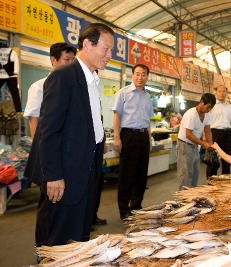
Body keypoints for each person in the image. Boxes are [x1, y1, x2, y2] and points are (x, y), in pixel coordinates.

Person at [24, 23, 114, 246]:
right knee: (58, 238)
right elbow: (49, 130)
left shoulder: (92, 79)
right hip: (64, 173)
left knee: (79, 236)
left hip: (86, 169)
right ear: (87, 44)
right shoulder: (64, 76)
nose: (109, 55)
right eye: (106, 49)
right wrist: (53, 175)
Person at [112, 64, 154, 220]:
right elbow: (117, 116)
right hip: (128, 136)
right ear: (132, 75)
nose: (140, 77)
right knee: (126, 175)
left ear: (147, 77)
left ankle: (136, 207)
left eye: (143, 74)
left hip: (143, 136)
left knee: (141, 175)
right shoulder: (123, 93)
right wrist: (117, 137)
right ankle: (124, 211)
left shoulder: (148, 96)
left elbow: (148, 121)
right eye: (137, 74)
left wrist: (149, 140)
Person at [23, 43, 76, 139]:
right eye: (67, 60)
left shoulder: (74, 87)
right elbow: (34, 119)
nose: (71, 64)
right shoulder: (39, 87)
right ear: (53, 60)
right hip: (50, 144)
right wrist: (39, 150)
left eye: (73, 60)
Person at [177, 93, 216, 190]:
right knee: (185, 175)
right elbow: (188, 134)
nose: (209, 110)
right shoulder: (191, 114)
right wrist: (204, 144)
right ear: (202, 102)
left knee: (195, 174)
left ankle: (191, 199)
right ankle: (183, 201)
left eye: (211, 108)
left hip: (195, 146)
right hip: (184, 146)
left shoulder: (207, 114)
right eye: (208, 107)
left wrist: (211, 146)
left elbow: (207, 130)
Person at [206, 85, 231, 177]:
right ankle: (211, 180)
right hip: (214, 133)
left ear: (226, 93)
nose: (222, 93)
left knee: (227, 158)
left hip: (227, 133)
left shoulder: (230, 107)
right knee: (213, 158)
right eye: (220, 91)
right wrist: (205, 136)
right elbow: (206, 122)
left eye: (224, 91)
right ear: (216, 92)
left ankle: (225, 179)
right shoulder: (211, 106)